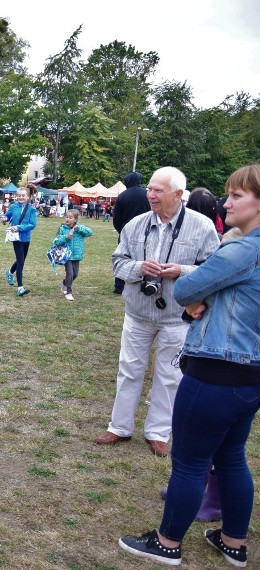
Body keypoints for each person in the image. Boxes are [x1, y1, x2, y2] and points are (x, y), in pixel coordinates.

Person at [118, 163, 260, 568]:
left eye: (236, 196)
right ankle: (233, 541)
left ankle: (166, 543)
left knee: (190, 462)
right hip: (250, 374)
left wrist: (201, 295)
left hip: (216, 370)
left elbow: (186, 289)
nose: (225, 202)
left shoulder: (241, 248)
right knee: (232, 458)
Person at [96, 166, 220, 457]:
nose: (150, 195)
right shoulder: (135, 225)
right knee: (129, 369)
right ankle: (119, 426)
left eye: (157, 190)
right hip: (138, 312)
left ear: (178, 195)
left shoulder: (202, 227)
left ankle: (158, 432)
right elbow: (118, 263)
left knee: (169, 375)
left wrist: (181, 271)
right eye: (149, 189)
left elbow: (214, 270)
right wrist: (139, 268)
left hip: (177, 315)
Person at [112, 171, 151, 294]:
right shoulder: (148, 195)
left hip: (126, 231)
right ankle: (145, 281)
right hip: (146, 231)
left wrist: (121, 231)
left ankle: (119, 286)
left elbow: (116, 218)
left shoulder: (122, 196)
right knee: (145, 256)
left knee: (123, 257)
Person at [3, 184, 38, 296]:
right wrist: (4, 218)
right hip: (16, 238)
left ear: (28, 197)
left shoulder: (32, 209)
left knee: (20, 260)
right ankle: (20, 288)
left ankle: (9, 272)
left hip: (26, 238)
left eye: (23, 195)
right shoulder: (13, 206)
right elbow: (7, 216)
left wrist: (19, 227)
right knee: (21, 262)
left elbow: (32, 224)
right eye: (19, 195)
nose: (21, 197)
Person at [53, 209, 92, 301]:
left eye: (70, 218)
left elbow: (90, 232)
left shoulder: (79, 229)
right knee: (69, 273)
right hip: (66, 255)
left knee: (75, 274)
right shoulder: (63, 229)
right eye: (66, 217)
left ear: (75, 220)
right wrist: (66, 237)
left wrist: (79, 229)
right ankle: (69, 291)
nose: (67, 219)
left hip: (77, 255)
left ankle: (64, 283)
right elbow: (57, 241)